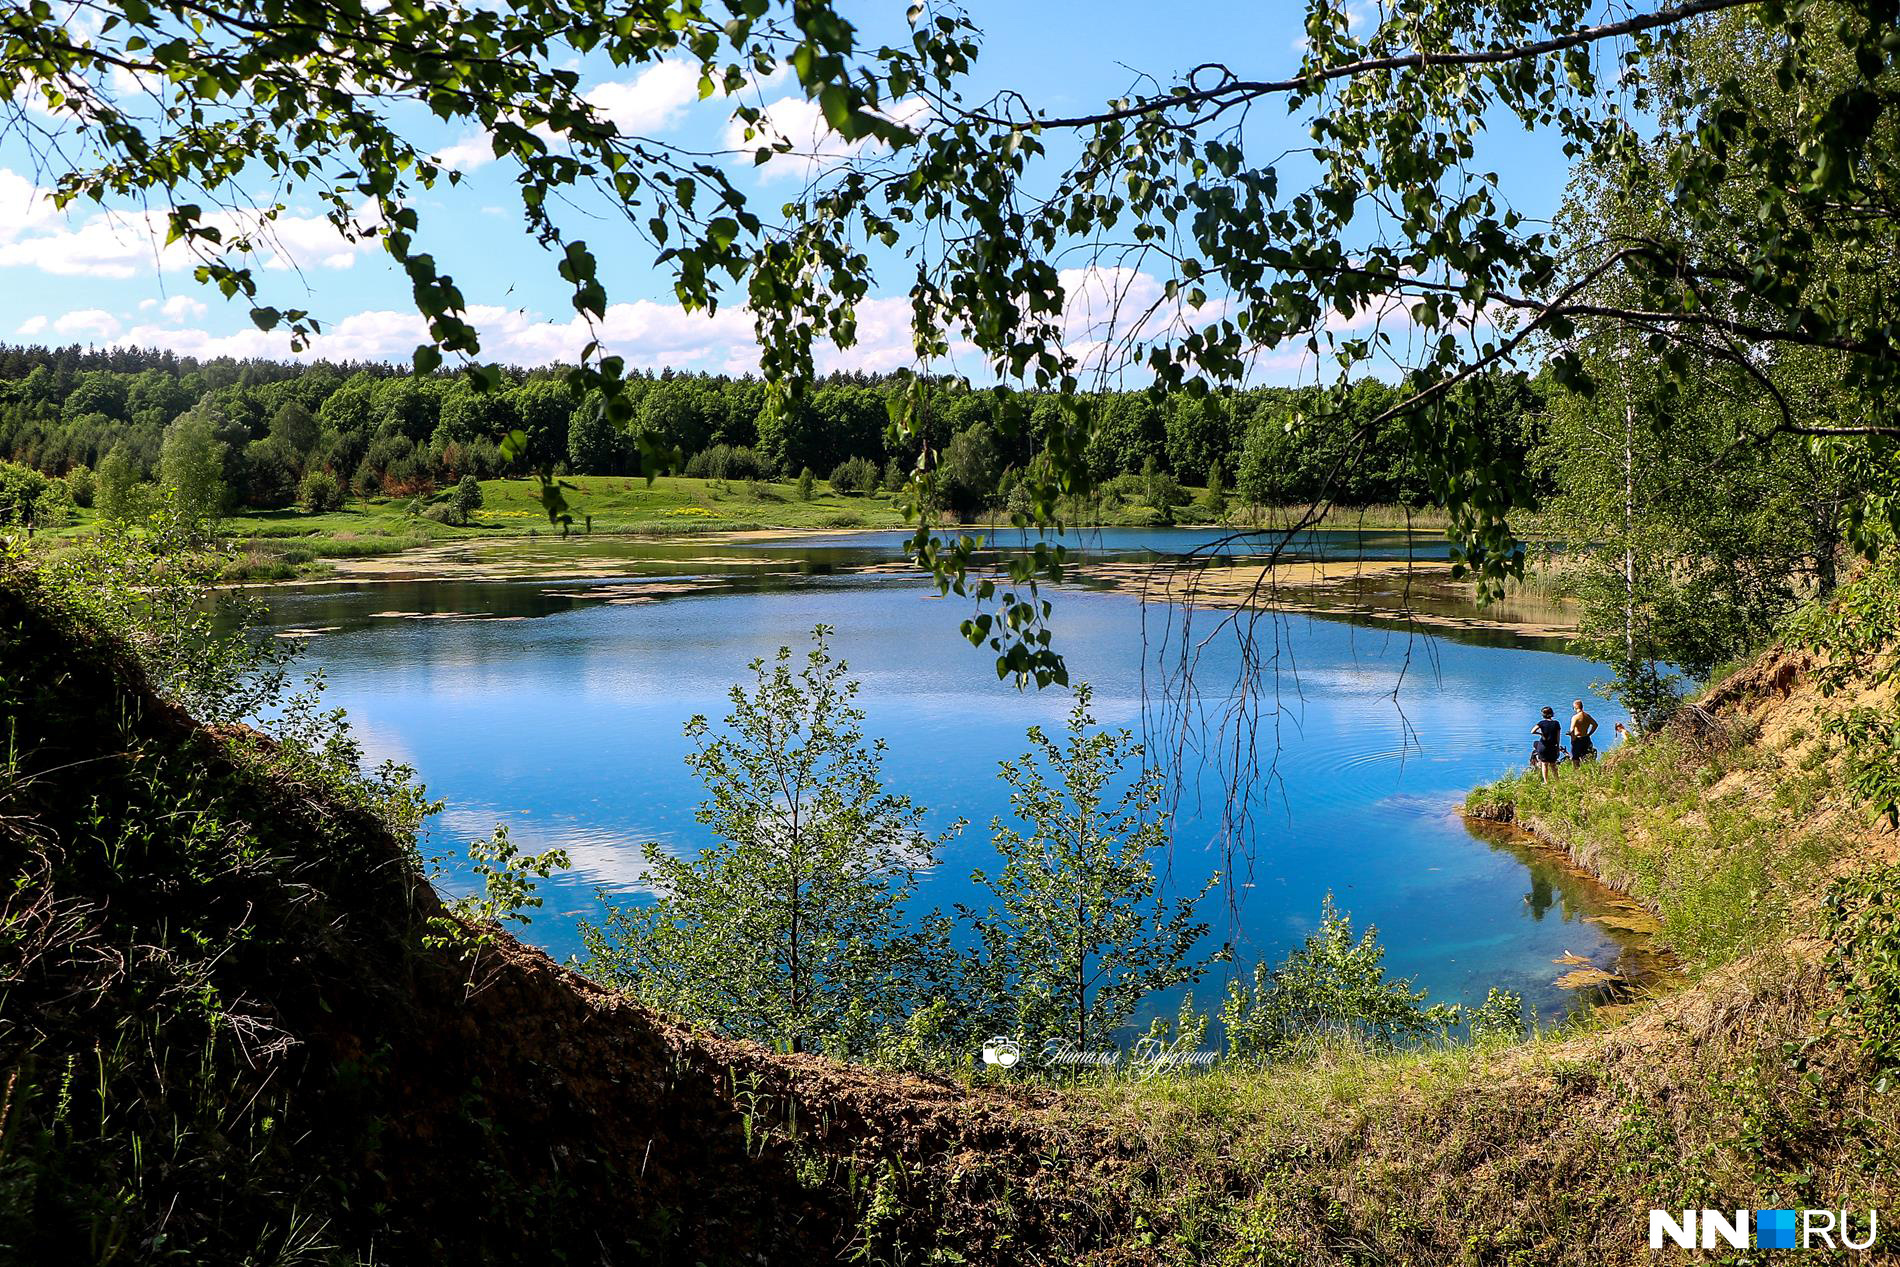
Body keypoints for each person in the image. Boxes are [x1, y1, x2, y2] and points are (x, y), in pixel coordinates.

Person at [1530, 706, 1563, 782]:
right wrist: (1557, 747)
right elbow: (1558, 737)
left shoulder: (1541, 723)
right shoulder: (1556, 723)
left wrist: (1541, 734)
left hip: (1543, 746)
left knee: (1544, 764)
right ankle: (1557, 781)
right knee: (1553, 764)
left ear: (1543, 715)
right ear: (1552, 714)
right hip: (1552, 746)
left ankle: (1546, 781)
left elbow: (1532, 731)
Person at [1568, 698, 1600, 765]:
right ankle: (1587, 771)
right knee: (1586, 757)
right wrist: (1589, 734)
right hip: (1586, 738)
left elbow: (1571, 730)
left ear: (1575, 707)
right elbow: (1595, 725)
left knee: (1575, 759)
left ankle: (1576, 773)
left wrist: (1572, 740)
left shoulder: (1575, 717)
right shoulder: (1587, 716)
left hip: (1578, 739)